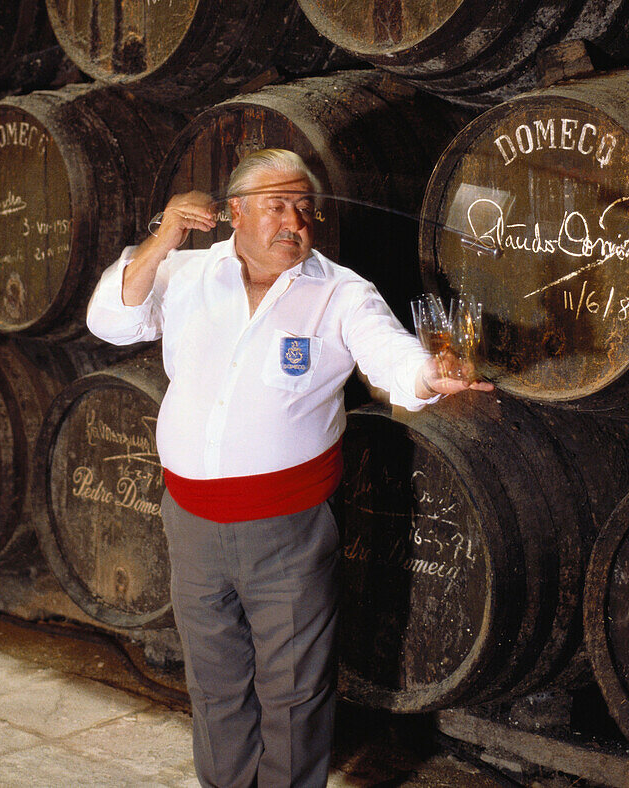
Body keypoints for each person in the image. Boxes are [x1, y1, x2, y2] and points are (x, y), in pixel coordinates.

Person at [86, 148, 492, 788]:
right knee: (215, 683)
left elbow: (390, 355)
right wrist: (163, 234)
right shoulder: (186, 273)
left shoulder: (339, 292)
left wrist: (426, 374)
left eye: (304, 211)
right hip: (189, 519)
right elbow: (111, 320)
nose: (294, 224)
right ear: (236, 213)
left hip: (289, 529)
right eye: (277, 207)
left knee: (295, 692)